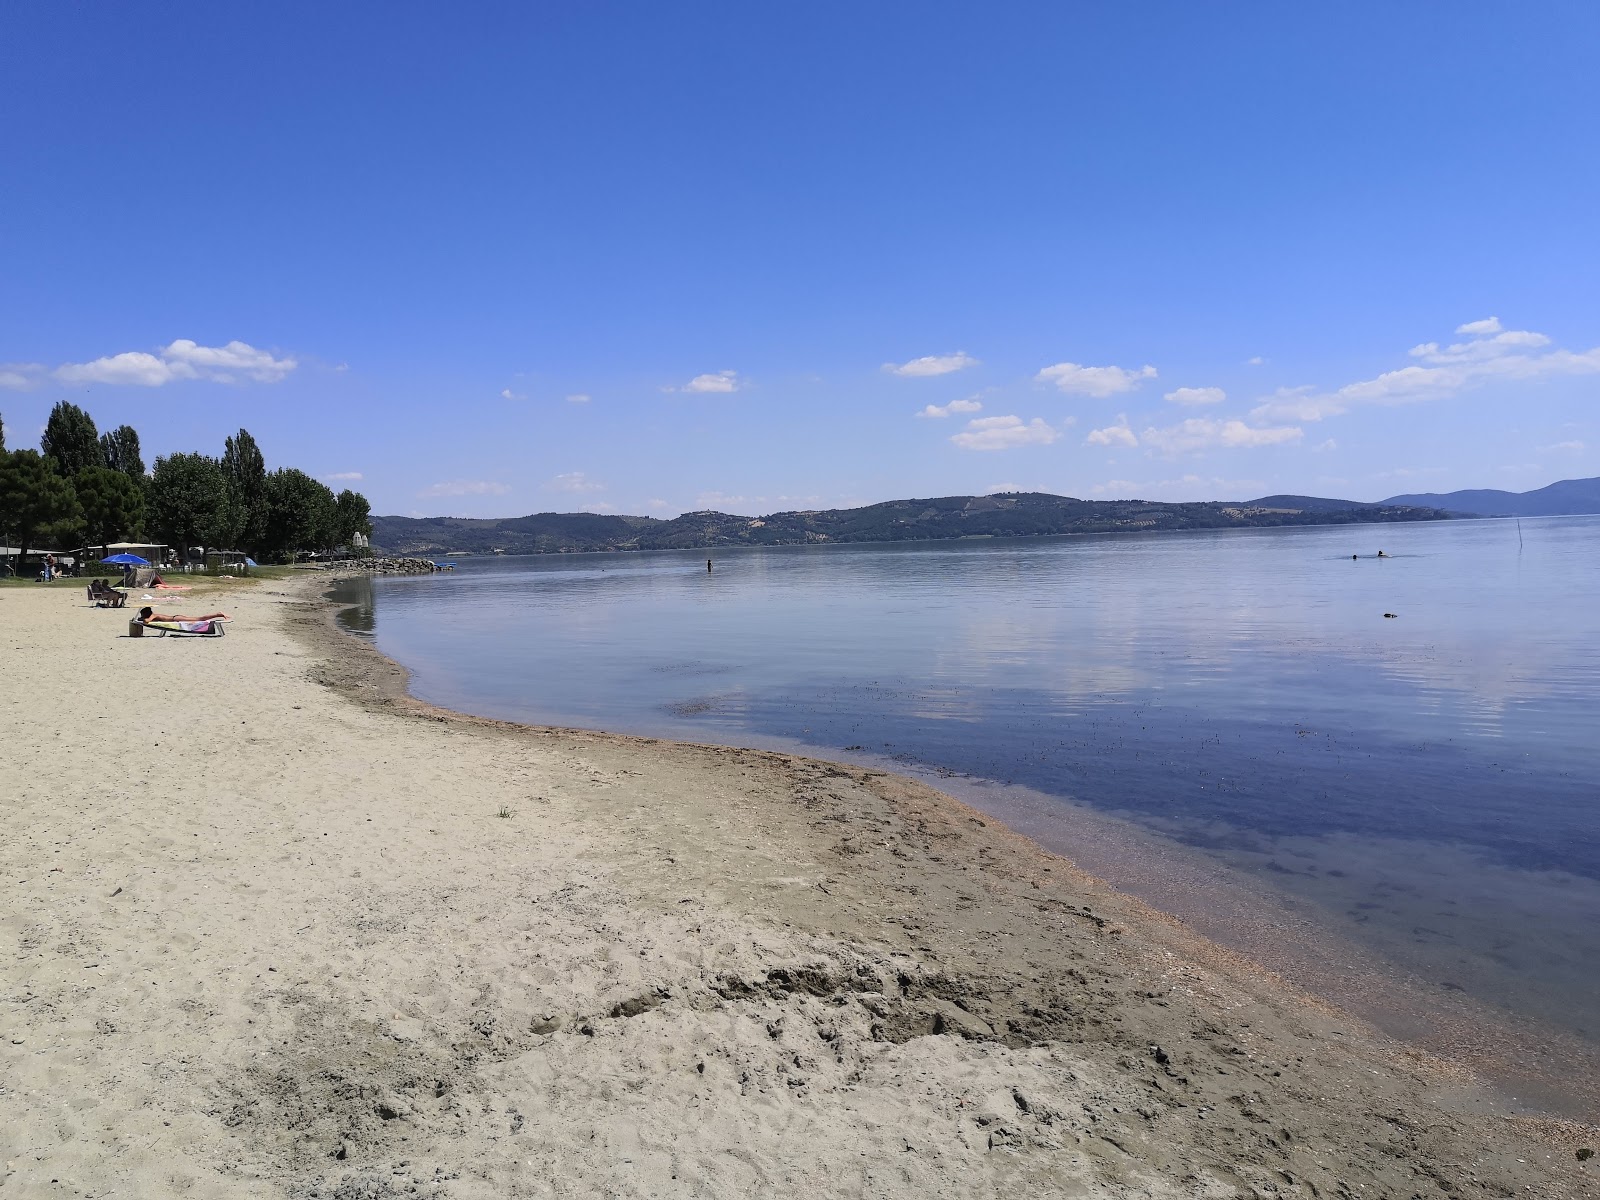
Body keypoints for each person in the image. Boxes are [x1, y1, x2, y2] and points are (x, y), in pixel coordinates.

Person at [137, 606, 232, 623]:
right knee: (199, 618)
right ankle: (218, 614)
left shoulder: (153, 615)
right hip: (176, 617)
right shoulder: (154, 615)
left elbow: (147, 621)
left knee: (200, 619)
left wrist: (142, 619)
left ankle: (218, 614)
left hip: (176, 619)